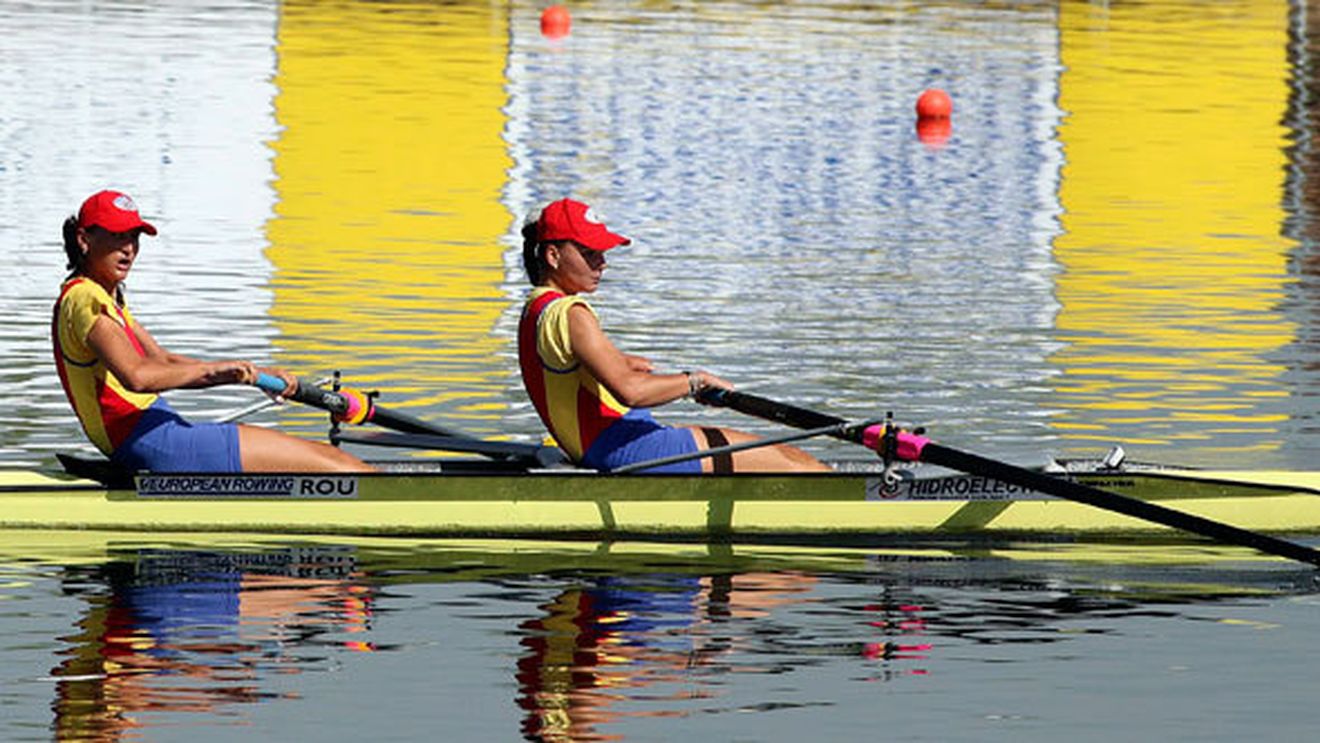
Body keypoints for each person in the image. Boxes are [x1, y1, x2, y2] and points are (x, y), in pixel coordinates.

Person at [52, 189, 372, 473]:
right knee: (345, 467)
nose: (129, 249)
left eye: (134, 237)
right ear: (84, 239)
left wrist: (256, 374)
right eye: (117, 235)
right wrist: (221, 373)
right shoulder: (84, 299)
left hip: (158, 432)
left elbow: (162, 360)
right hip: (153, 440)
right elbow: (137, 376)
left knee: (330, 459)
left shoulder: (106, 296)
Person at [517, 197, 829, 473]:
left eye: (601, 252)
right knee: (795, 462)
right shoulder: (573, 313)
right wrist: (692, 382)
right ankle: (862, 501)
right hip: (624, 447)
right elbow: (630, 391)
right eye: (589, 253)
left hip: (609, 441)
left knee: (780, 455)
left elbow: (579, 368)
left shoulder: (537, 308)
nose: (602, 263)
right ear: (553, 256)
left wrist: (628, 363)